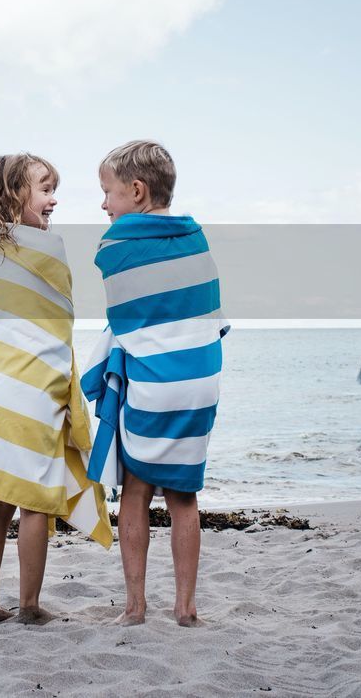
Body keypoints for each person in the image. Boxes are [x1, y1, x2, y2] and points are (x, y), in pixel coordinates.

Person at [83, 140, 229, 626]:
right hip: (200, 381)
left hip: (154, 384)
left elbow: (126, 320)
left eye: (108, 193)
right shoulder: (197, 238)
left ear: (138, 192)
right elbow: (206, 310)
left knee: (137, 493)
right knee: (185, 496)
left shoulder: (116, 246)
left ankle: (135, 607)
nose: (104, 205)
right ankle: (186, 610)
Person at [0, 153, 112, 626]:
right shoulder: (48, 249)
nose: (54, 199)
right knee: (34, 501)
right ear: (13, 196)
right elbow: (57, 322)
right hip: (32, 388)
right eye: (44, 189)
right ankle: (28, 607)